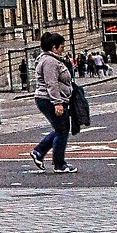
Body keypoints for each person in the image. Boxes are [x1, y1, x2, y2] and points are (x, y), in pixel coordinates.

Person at [30, 32, 77, 173]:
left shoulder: (53, 59)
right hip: (49, 99)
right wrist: (57, 103)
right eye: (61, 47)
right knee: (62, 130)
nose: (63, 50)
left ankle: (39, 152)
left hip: (52, 99)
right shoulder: (50, 62)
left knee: (61, 129)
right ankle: (59, 164)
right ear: (54, 48)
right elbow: (52, 84)